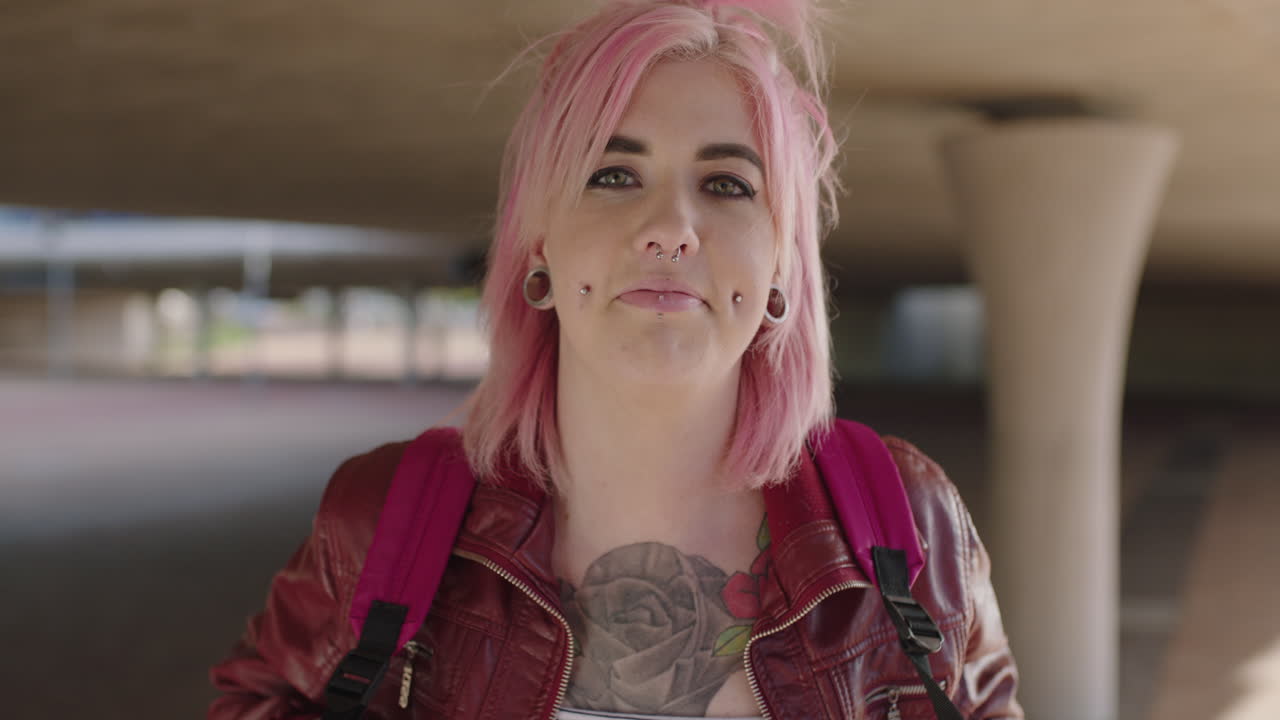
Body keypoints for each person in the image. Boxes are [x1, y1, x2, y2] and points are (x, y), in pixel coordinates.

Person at [208, 1, 1022, 718]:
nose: (670, 228)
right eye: (614, 174)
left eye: (727, 185)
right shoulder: (380, 513)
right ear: (539, 243)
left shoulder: (912, 519)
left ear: (782, 265)